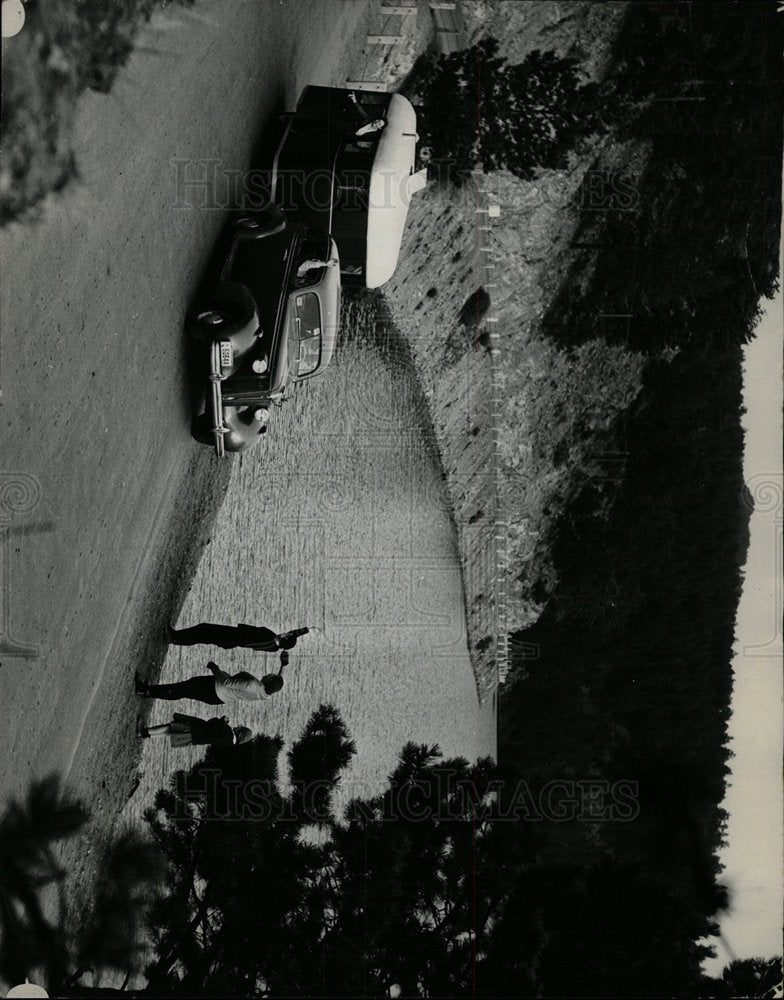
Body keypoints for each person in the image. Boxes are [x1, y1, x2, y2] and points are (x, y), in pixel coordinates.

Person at [135, 661, 284, 705]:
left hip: (214, 688)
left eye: (271, 675)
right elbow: (276, 683)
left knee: (181, 688)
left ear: (269, 679)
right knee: (182, 691)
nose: (268, 673)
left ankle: (147, 691)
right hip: (218, 697)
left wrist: (215, 668)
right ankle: (149, 691)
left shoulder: (252, 683)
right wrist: (283, 666)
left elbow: (226, 682)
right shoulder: (264, 694)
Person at [168, 622, 309, 654]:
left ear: (285, 639)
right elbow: (291, 634)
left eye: (287, 634)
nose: (285, 632)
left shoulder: (269, 640)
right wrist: (304, 631)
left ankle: (174, 638)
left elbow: (250, 636)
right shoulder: (273, 644)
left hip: (231, 637)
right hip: (232, 638)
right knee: (202, 633)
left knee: (202, 633)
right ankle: (175, 636)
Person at [136, 713, 252, 748]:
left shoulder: (227, 731)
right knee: (169, 733)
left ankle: (143, 732)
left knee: (170, 727)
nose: (237, 726)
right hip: (195, 739)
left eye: (240, 728)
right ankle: (144, 735)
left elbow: (212, 722)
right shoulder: (229, 743)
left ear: (240, 732)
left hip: (195, 729)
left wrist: (223, 720)